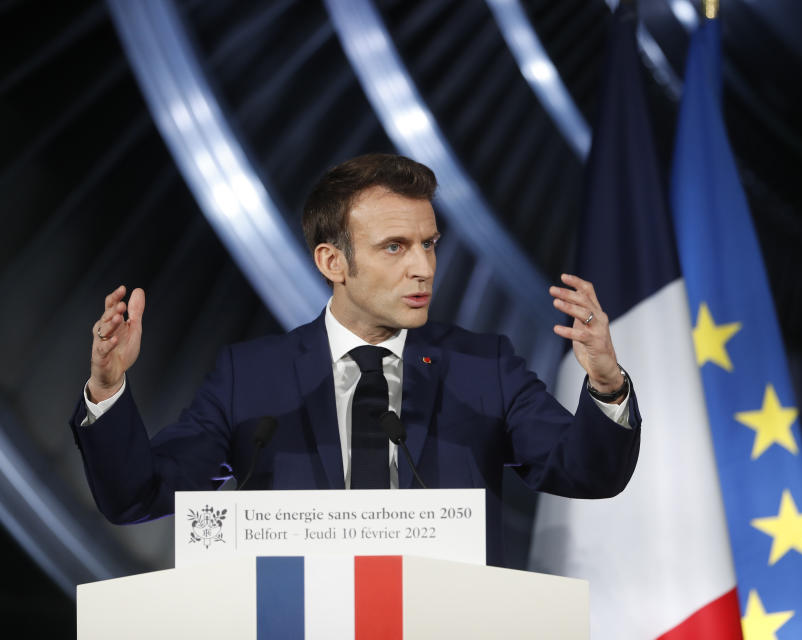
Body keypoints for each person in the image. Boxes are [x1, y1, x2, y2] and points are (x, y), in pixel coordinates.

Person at [70, 153, 642, 566]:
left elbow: (588, 473)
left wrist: (607, 384)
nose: (422, 267)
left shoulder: (482, 367)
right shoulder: (253, 376)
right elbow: (138, 497)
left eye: (429, 244)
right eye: (394, 246)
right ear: (332, 262)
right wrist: (107, 388)